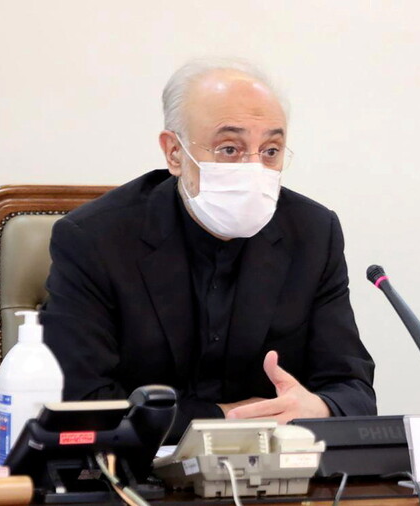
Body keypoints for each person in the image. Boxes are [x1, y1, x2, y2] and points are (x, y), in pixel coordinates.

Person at [41, 59, 377, 441]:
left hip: (272, 469)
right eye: (229, 148)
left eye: (270, 150)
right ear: (174, 152)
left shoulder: (313, 233)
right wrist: (223, 418)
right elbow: (82, 403)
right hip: (134, 469)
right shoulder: (95, 239)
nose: (254, 168)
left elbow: (353, 390)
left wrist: (318, 409)